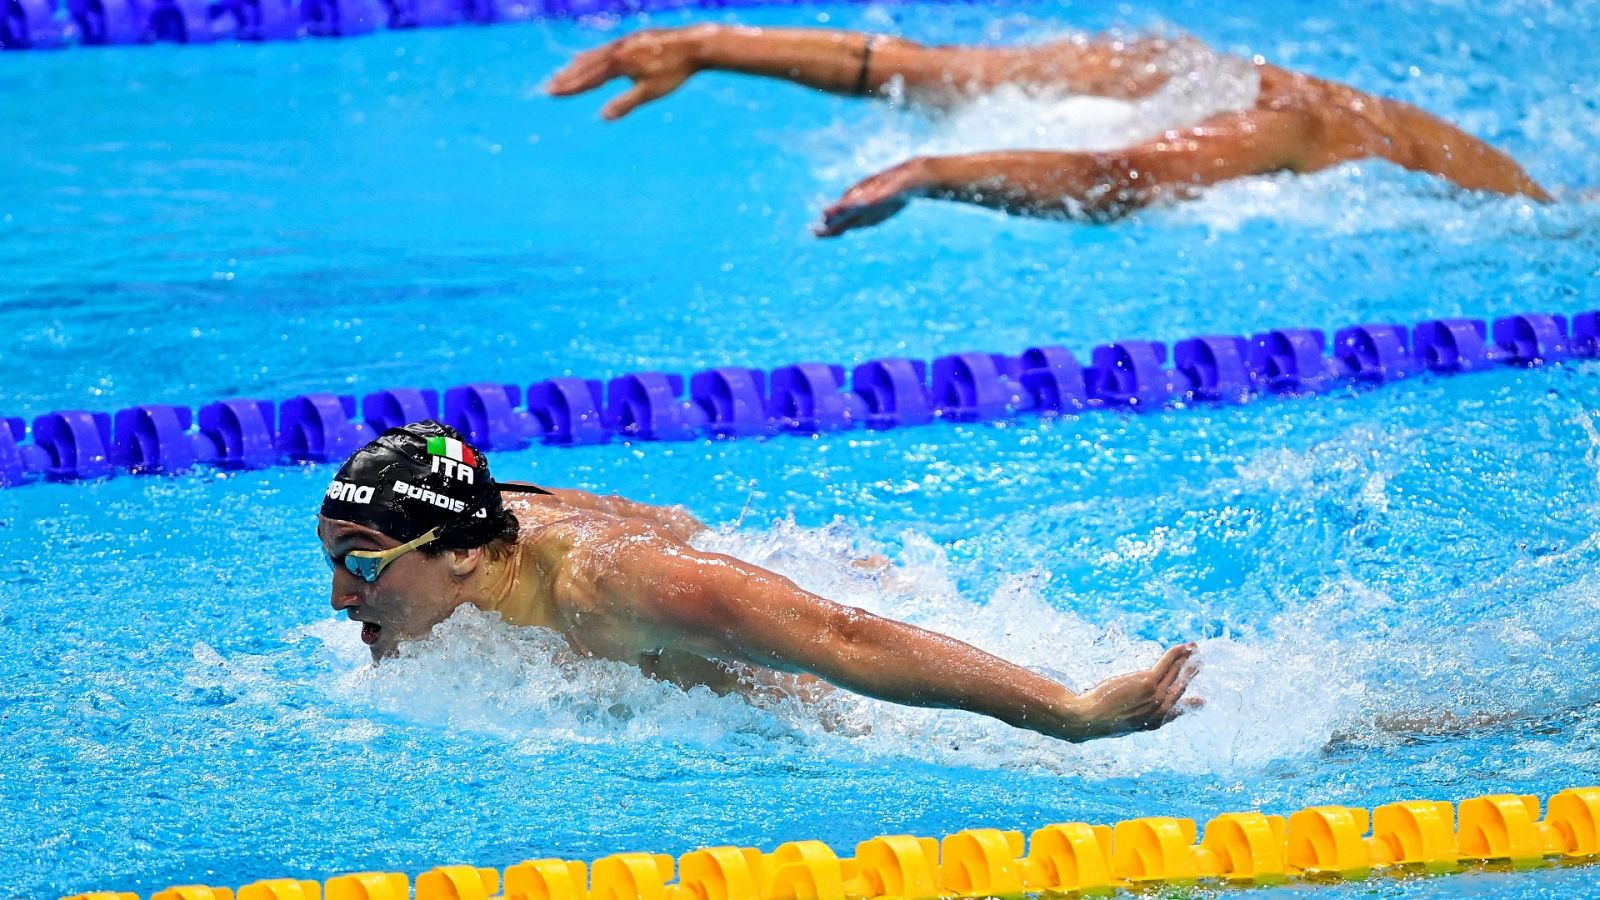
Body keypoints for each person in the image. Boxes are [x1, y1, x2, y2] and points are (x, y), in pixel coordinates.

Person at [318, 421, 1198, 743]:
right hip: (697, 568)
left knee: (838, 709)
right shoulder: (468, 539)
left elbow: (844, 640)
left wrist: (1070, 713)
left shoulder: (608, 588)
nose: (339, 597)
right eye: (330, 562)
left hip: (805, 699)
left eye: (361, 564)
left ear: (463, 551)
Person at [545, 24, 1551, 234]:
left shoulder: (1280, 125)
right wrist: (712, 45)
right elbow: (901, 70)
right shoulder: (1127, 64)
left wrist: (935, 169)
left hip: (1523, 233)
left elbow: (1115, 182)